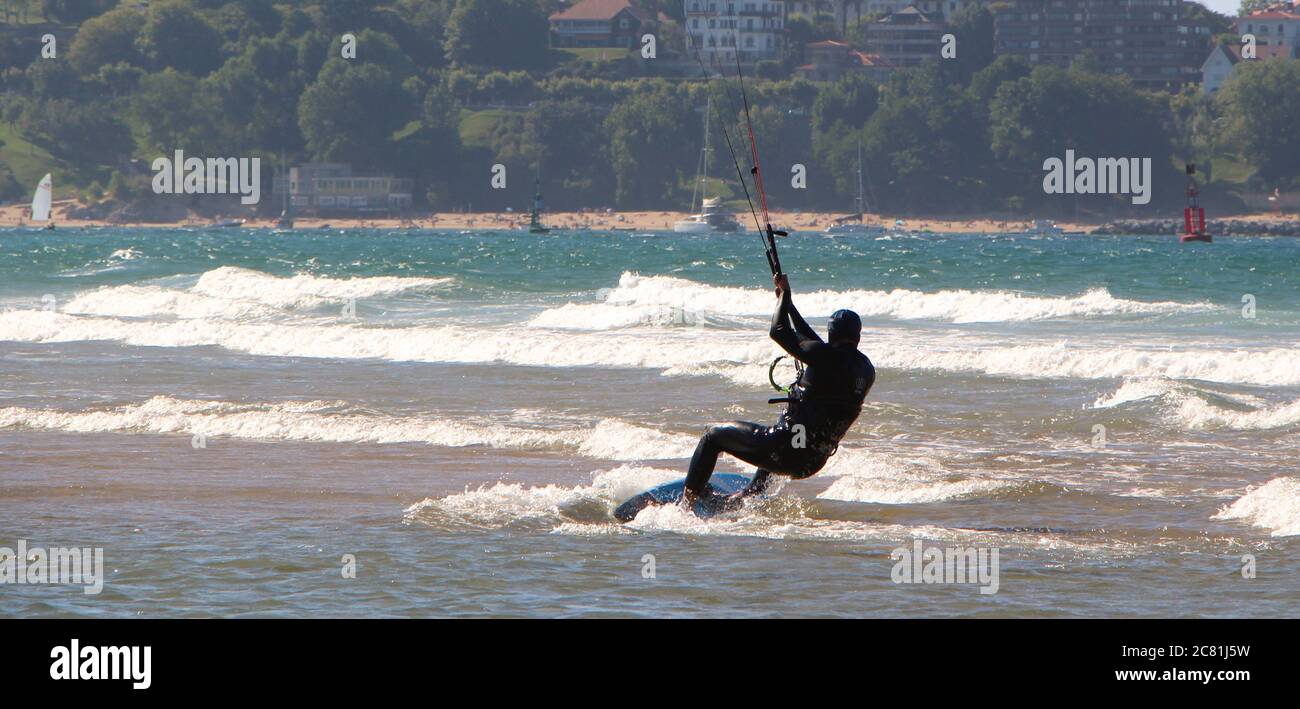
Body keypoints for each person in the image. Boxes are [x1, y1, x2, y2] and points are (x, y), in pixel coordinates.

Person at [682, 273, 875, 507]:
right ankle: (744, 500)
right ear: (858, 336)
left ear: (831, 334)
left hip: (786, 451)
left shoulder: (824, 356)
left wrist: (784, 297)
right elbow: (812, 345)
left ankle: (687, 503)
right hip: (812, 460)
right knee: (792, 437)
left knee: (712, 436)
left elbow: (779, 331)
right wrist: (790, 306)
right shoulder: (865, 369)